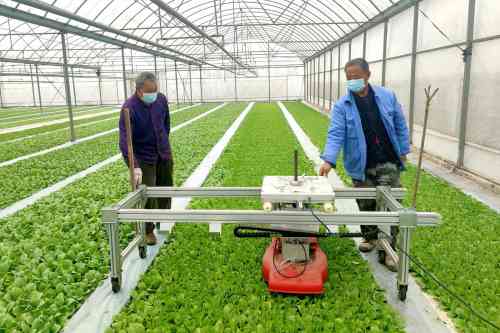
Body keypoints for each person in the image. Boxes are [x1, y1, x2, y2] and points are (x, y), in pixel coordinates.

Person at [319, 58, 410, 271]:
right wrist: (328, 160)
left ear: (368, 75)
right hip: (361, 163)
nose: (352, 80)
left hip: (387, 159)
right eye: (348, 77)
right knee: (365, 203)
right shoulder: (343, 105)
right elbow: (336, 133)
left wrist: (403, 149)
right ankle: (369, 237)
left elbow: (399, 123)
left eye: (356, 76)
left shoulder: (387, 96)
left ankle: (389, 249)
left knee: (390, 206)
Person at [119, 71, 173, 246]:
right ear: (140, 90)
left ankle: (163, 219)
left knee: (166, 187)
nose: (154, 94)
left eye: (156, 89)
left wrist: (163, 140)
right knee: (148, 193)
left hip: (162, 151)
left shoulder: (161, 100)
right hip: (143, 156)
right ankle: (148, 230)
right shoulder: (129, 108)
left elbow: (166, 123)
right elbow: (125, 141)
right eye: (151, 91)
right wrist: (134, 165)